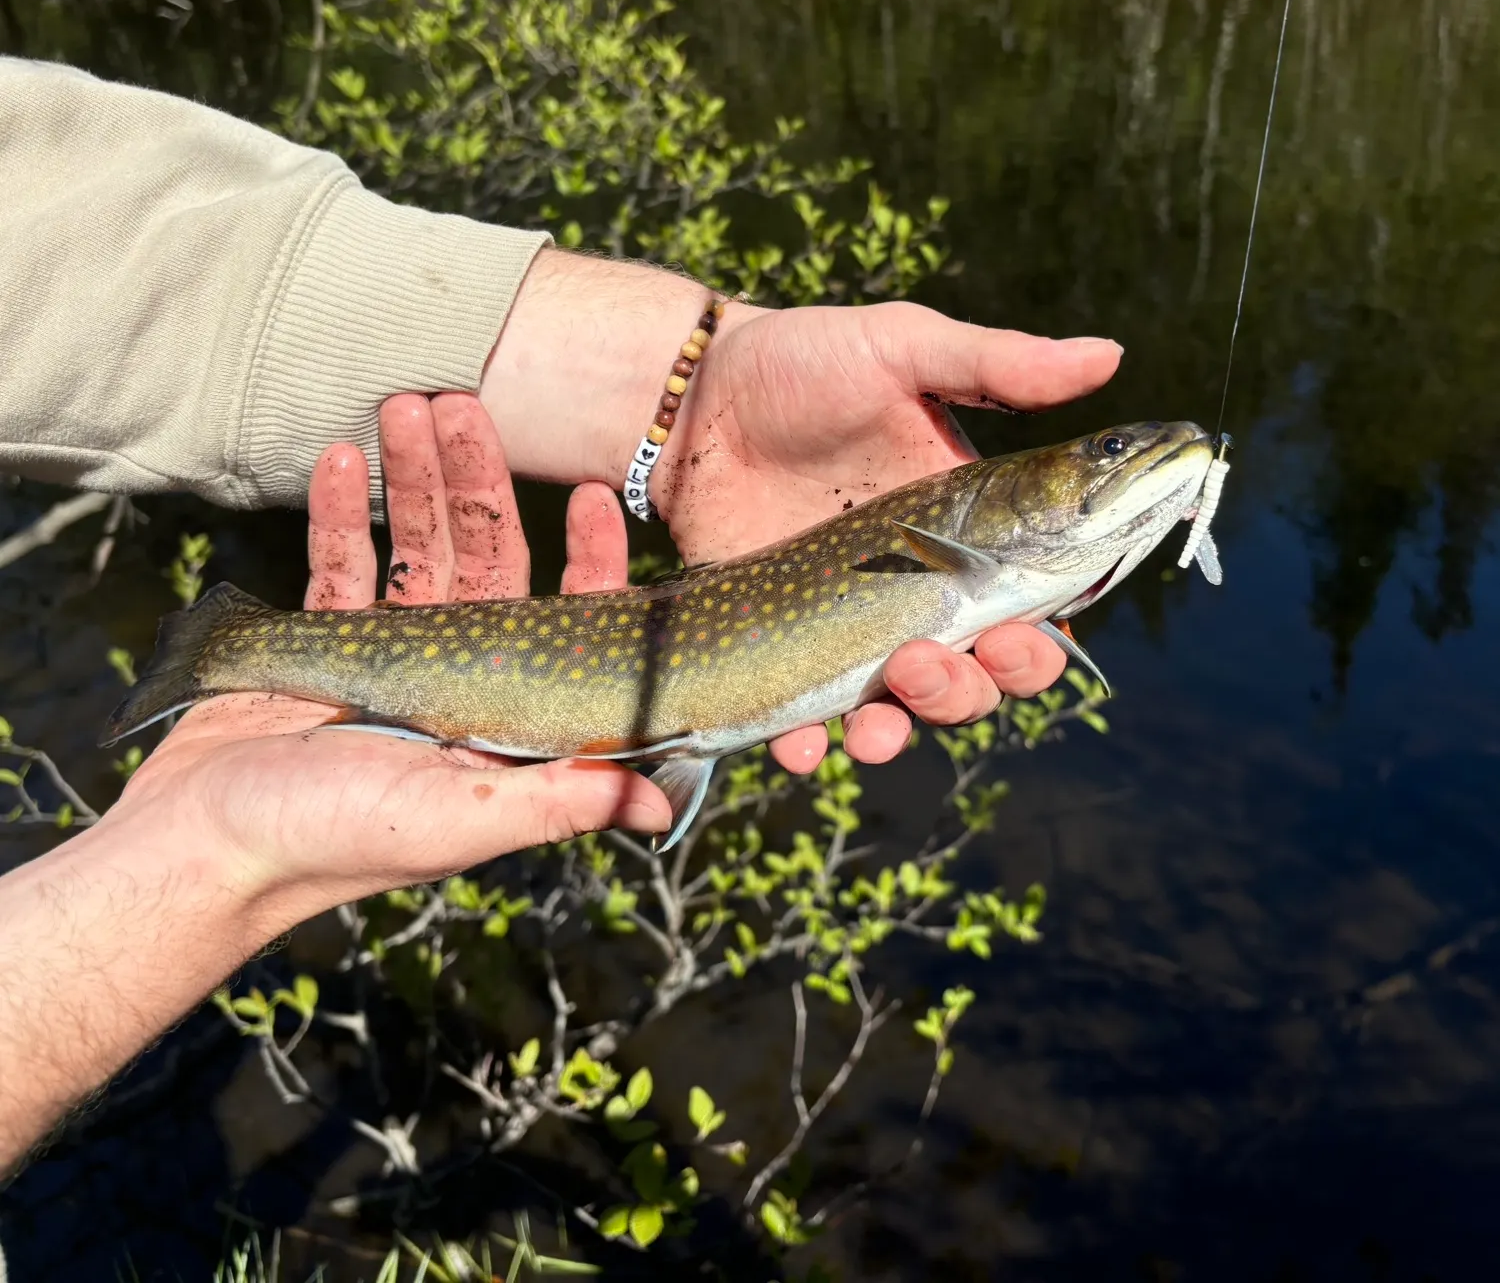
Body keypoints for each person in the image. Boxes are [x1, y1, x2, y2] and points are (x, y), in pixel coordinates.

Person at [0, 57, 1122, 1171]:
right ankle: (234, 649)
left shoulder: (955, 545)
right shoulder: (940, 534)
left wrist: (690, 386)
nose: (1125, 463)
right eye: (1105, 456)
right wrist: (200, 862)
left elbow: (76, 226)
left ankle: (244, 652)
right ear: (990, 504)